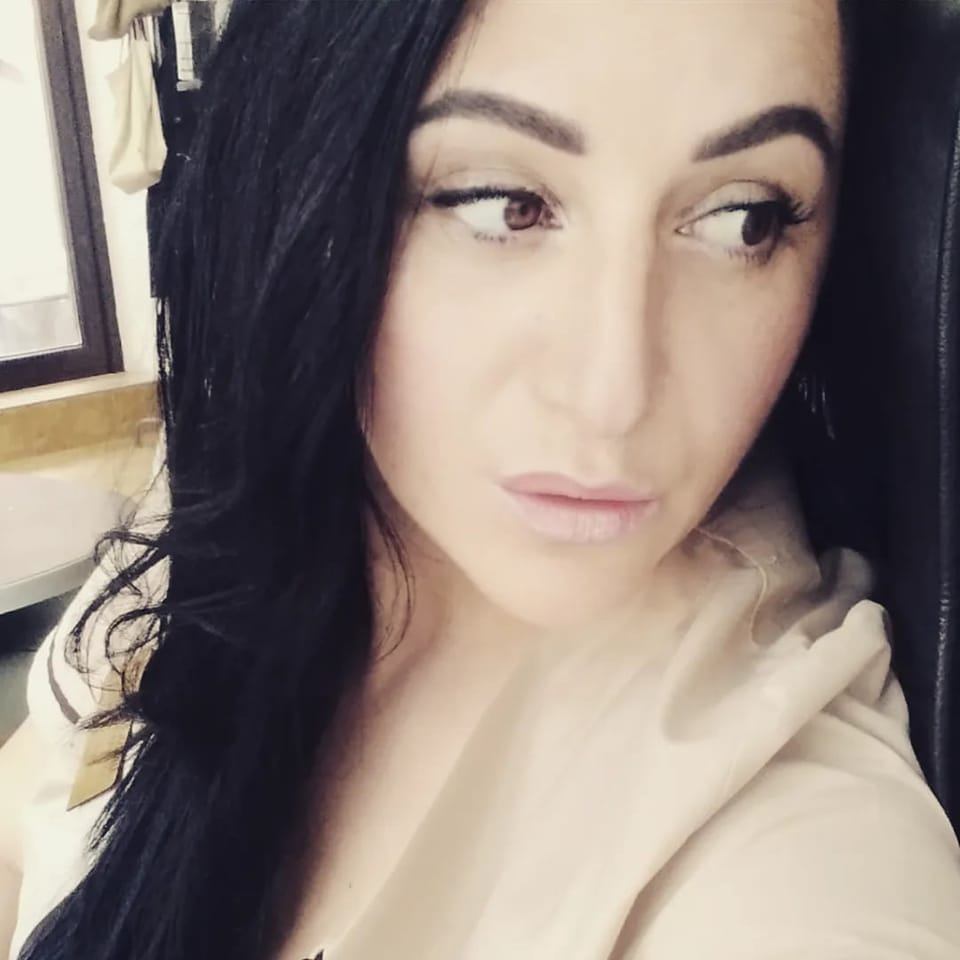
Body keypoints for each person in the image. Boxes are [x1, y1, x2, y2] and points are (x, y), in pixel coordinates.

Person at [3, 0, 960, 957]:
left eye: (742, 217)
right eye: (502, 204)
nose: (613, 398)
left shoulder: (794, 851)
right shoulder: (210, 521)